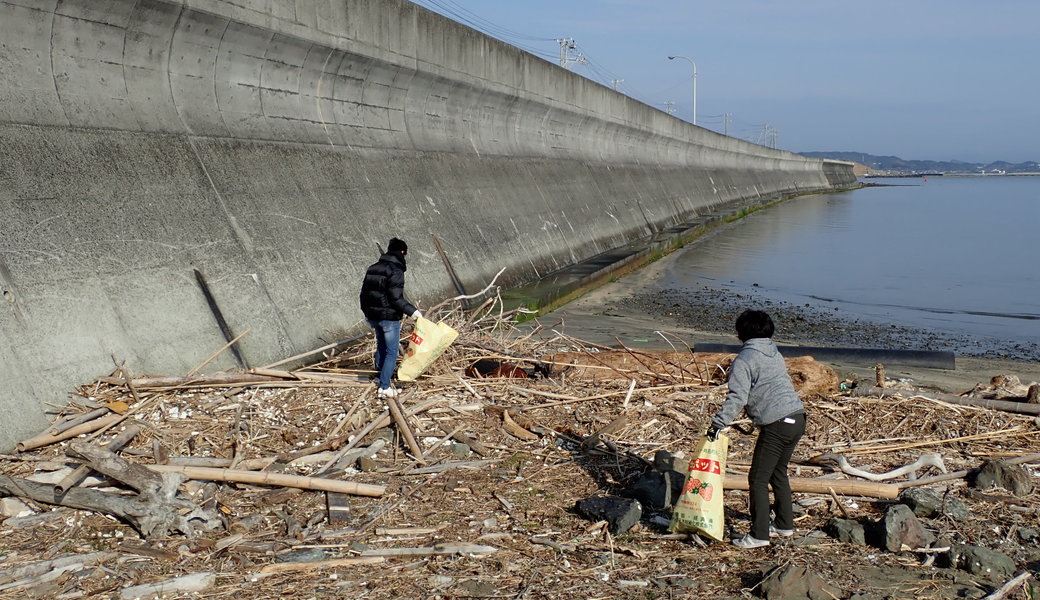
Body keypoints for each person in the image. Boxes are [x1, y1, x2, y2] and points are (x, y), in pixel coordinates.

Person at [707, 310, 805, 549]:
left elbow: (737, 396)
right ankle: (784, 525)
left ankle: (759, 535)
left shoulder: (745, 359)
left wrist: (718, 424)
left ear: (742, 333)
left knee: (758, 479)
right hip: (797, 418)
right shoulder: (774, 353)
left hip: (778, 424)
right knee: (778, 473)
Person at [359, 238, 422, 399]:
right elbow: (396, 299)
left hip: (373, 315)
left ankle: (379, 378)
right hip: (388, 317)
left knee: (381, 345)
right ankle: (385, 387)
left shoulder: (373, 267)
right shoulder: (396, 271)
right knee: (392, 351)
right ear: (402, 252)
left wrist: (367, 312)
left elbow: (363, 294)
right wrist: (413, 312)